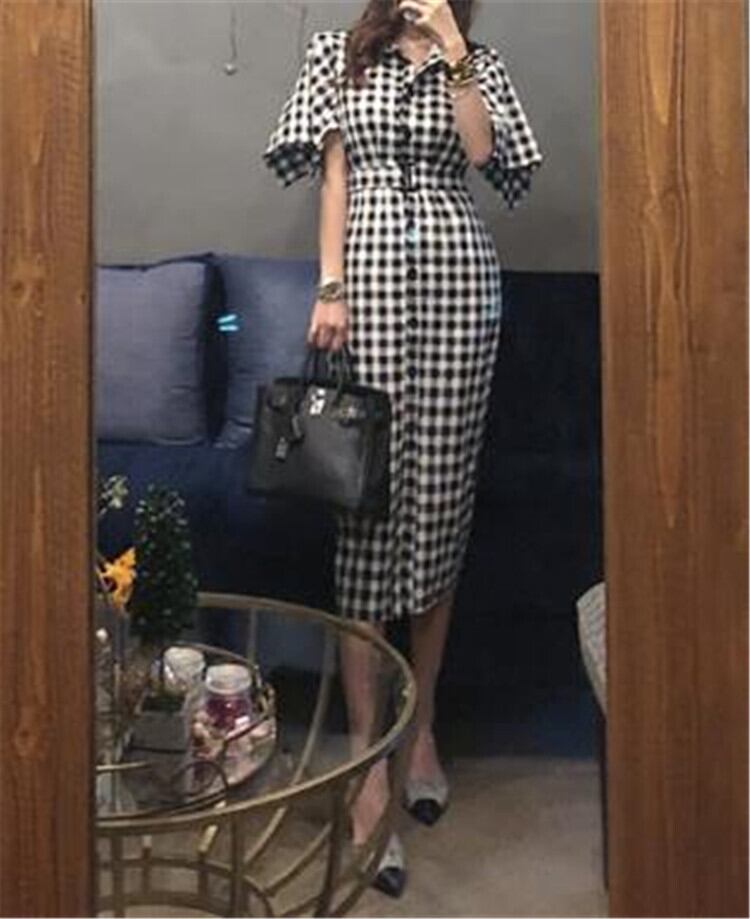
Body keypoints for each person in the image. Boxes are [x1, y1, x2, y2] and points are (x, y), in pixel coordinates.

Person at [262, 0, 543, 897]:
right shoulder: (338, 54)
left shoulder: (476, 61)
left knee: (442, 508)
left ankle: (420, 728)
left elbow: (484, 156)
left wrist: (456, 50)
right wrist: (330, 285)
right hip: (371, 279)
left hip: (461, 283)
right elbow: (333, 176)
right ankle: (366, 756)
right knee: (367, 513)